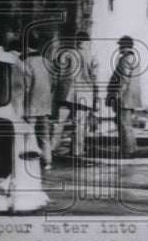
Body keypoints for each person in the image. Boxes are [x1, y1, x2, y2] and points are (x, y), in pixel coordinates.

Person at [50, 31, 98, 160]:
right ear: (88, 43)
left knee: (59, 122)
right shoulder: (92, 58)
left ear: (77, 42)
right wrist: (95, 97)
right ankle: (77, 151)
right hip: (84, 94)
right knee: (80, 124)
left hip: (66, 94)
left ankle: (51, 148)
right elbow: (94, 78)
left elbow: (57, 72)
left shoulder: (67, 54)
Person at [106, 35, 143, 157]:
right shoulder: (134, 58)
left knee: (124, 124)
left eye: (120, 45)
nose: (119, 48)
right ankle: (132, 148)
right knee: (127, 123)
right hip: (131, 97)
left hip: (124, 96)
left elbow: (123, 79)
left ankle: (127, 151)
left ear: (124, 46)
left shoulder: (125, 59)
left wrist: (116, 96)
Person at [22, 34, 54, 171]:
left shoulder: (26, 62)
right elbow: (53, 83)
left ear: (27, 47)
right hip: (45, 104)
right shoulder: (47, 62)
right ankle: (47, 161)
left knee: (29, 133)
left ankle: (29, 161)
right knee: (44, 136)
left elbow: (25, 86)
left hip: (31, 105)